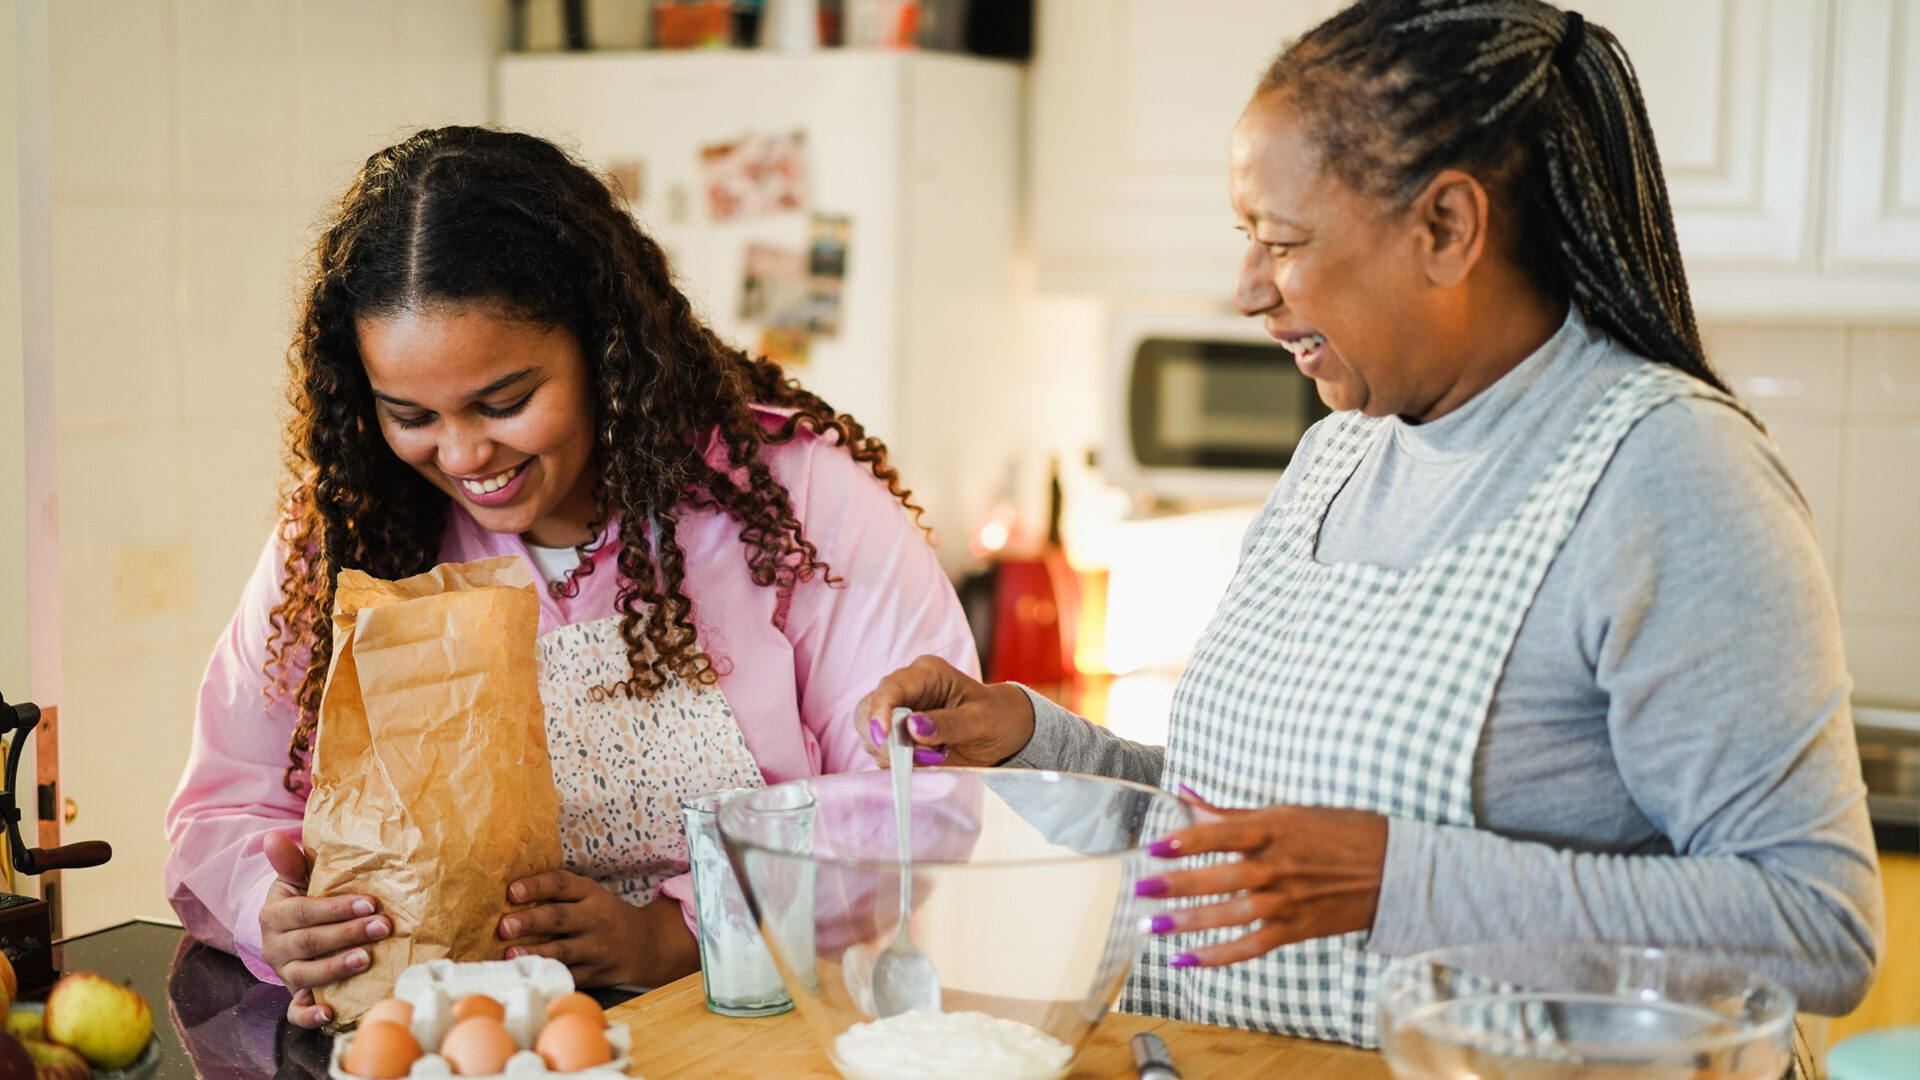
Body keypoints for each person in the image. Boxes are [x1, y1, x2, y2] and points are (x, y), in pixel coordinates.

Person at [855, 0, 1884, 1050]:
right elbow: (1260, 835)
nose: (1248, 289)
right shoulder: (1338, 455)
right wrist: (1034, 743)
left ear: (1447, 228)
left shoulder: (1665, 473)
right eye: (1244, 239)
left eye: (1283, 242)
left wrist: (1401, 879)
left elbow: (1816, 922)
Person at [164, 126, 978, 1028]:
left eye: (506, 402)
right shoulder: (350, 531)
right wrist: (269, 914)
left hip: (756, 1027)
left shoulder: (794, 504)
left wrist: (674, 934)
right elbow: (226, 803)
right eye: (411, 414)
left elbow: (921, 799)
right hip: (457, 1039)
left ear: (603, 347)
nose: (466, 454)